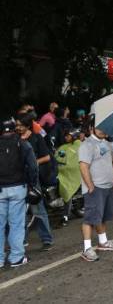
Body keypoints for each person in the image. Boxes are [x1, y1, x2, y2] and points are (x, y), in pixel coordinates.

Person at [78, 123, 113, 262]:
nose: (103, 130)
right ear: (91, 128)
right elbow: (83, 166)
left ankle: (103, 242)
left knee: (101, 216)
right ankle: (87, 248)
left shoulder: (107, 144)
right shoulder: (87, 144)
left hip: (107, 186)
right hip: (95, 187)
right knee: (90, 218)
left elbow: (112, 163)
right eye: (99, 127)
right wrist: (90, 186)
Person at [0, 116, 38, 268]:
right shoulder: (22, 143)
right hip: (18, 188)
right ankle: (16, 257)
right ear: (14, 128)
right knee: (16, 224)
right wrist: (32, 184)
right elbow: (33, 166)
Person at [15, 114, 54, 251]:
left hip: (32, 179)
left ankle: (47, 239)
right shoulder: (15, 139)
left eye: (21, 125)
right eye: (17, 125)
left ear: (27, 125)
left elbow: (47, 157)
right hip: (18, 180)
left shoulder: (36, 138)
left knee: (38, 209)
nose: (18, 128)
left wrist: (32, 162)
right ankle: (22, 241)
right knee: (20, 212)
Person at [56, 129, 83, 226]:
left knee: (67, 191)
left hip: (75, 173)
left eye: (68, 136)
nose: (65, 137)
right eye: (65, 136)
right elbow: (59, 157)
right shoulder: (64, 146)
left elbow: (74, 159)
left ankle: (65, 216)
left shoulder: (80, 146)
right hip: (62, 172)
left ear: (74, 136)